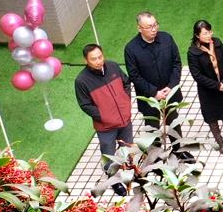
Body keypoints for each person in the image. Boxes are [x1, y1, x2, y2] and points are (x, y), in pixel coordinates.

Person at [74, 43, 133, 196]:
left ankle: (129, 169)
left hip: (125, 120)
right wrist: (105, 116)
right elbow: (85, 105)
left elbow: (126, 83)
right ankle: (113, 180)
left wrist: (126, 102)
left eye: (100, 57)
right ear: (86, 60)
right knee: (108, 154)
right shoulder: (81, 80)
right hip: (105, 127)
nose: (98, 61)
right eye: (94, 59)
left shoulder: (113, 66)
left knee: (127, 147)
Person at [123, 11, 183, 135]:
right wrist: (154, 92)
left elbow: (176, 63)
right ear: (139, 28)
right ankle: (156, 148)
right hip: (149, 98)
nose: (154, 29)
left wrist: (171, 86)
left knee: (173, 124)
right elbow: (134, 75)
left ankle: (178, 146)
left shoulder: (167, 38)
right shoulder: (131, 49)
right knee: (152, 130)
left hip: (169, 93)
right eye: (149, 27)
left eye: (155, 25)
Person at [187, 20, 223, 154]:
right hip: (209, 90)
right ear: (197, 35)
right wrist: (216, 85)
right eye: (204, 33)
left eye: (209, 32)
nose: (208, 35)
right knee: (212, 117)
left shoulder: (217, 43)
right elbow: (197, 75)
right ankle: (220, 142)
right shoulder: (193, 52)